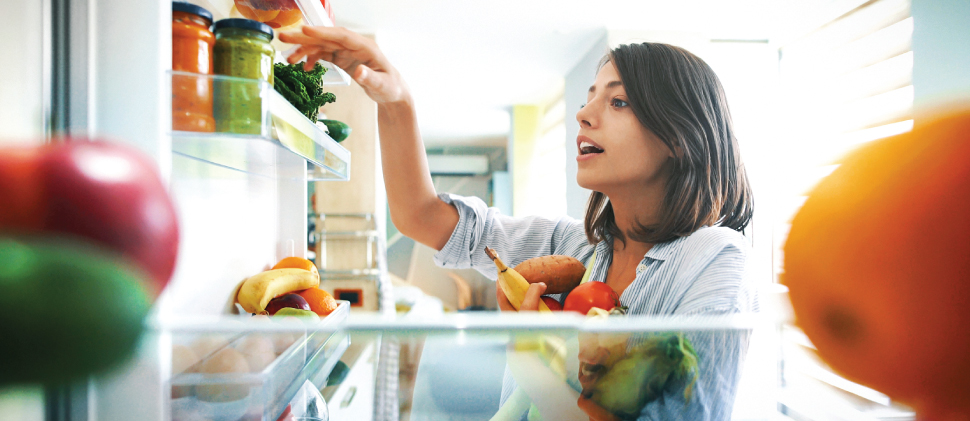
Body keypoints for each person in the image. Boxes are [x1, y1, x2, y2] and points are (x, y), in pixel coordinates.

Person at [281, 26, 756, 420]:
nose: (584, 114)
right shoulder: (576, 246)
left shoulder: (715, 259)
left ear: (679, 135)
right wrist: (395, 99)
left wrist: (530, 357)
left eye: (618, 102)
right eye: (591, 97)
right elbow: (420, 216)